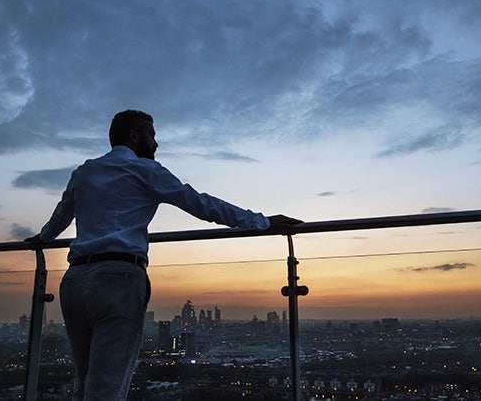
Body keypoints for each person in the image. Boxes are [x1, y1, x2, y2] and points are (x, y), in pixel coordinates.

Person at [26, 109, 301, 400]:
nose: (156, 144)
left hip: (74, 281)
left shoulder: (85, 172)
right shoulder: (146, 171)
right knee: (105, 389)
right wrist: (263, 221)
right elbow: (202, 204)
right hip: (117, 280)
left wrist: (41, 240)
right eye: (151, 135)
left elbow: (60, 217)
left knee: (85, 384)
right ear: (134, 136)